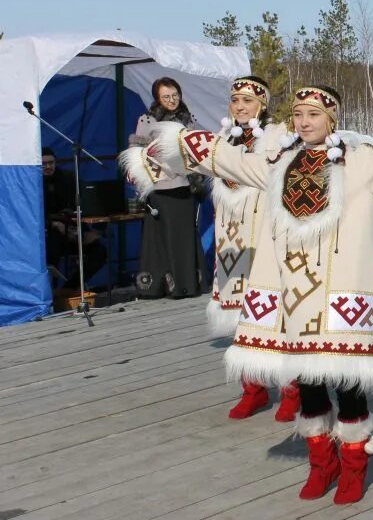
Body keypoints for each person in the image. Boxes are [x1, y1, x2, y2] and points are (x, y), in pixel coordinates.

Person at [121, 84, 373, 504]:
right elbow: (231, 160)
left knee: (349, 385)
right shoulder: (277, 160)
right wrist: (178, 145)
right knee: (310, 385)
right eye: (298, 114)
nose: (303, 122)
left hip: (340, 296)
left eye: (313, 115)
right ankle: (322, 463)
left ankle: (354, 466)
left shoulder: (360, 161)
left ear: (331, 119)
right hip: (296, 298)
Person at [124, 76, 300, 421]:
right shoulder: (222, 139)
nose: (240, 106)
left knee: (277, 316)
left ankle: (292, 389)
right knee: (240, 317)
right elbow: (182, 159)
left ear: (261, 104)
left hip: (266, 236)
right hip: (232, 239)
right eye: (235, 101)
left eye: (247, 101)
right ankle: (253, 387)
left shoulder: (279, 136)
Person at [127, 77, 209, 299]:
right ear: (157, 98)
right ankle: (164, 285)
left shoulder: (188, 119)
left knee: (184, 234)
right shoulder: (148, 120)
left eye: (175, 95)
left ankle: (188, 284)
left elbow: (198, 147)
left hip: (185, 185)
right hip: (160, 187)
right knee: (162, 237)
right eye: (166, 96)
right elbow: (136, 151)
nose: (171, 100)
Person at [42, 147, 107, 287]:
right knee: (51, 250)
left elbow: (88, 202)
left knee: (100, 251)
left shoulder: (68, 178)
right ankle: (51, 294)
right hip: (51, 234)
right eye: (44, 163)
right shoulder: (33, 183)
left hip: (73, 230)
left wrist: (93, 231)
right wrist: (53, 224)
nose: (48, 166)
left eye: (51, 163)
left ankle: (70, 287)